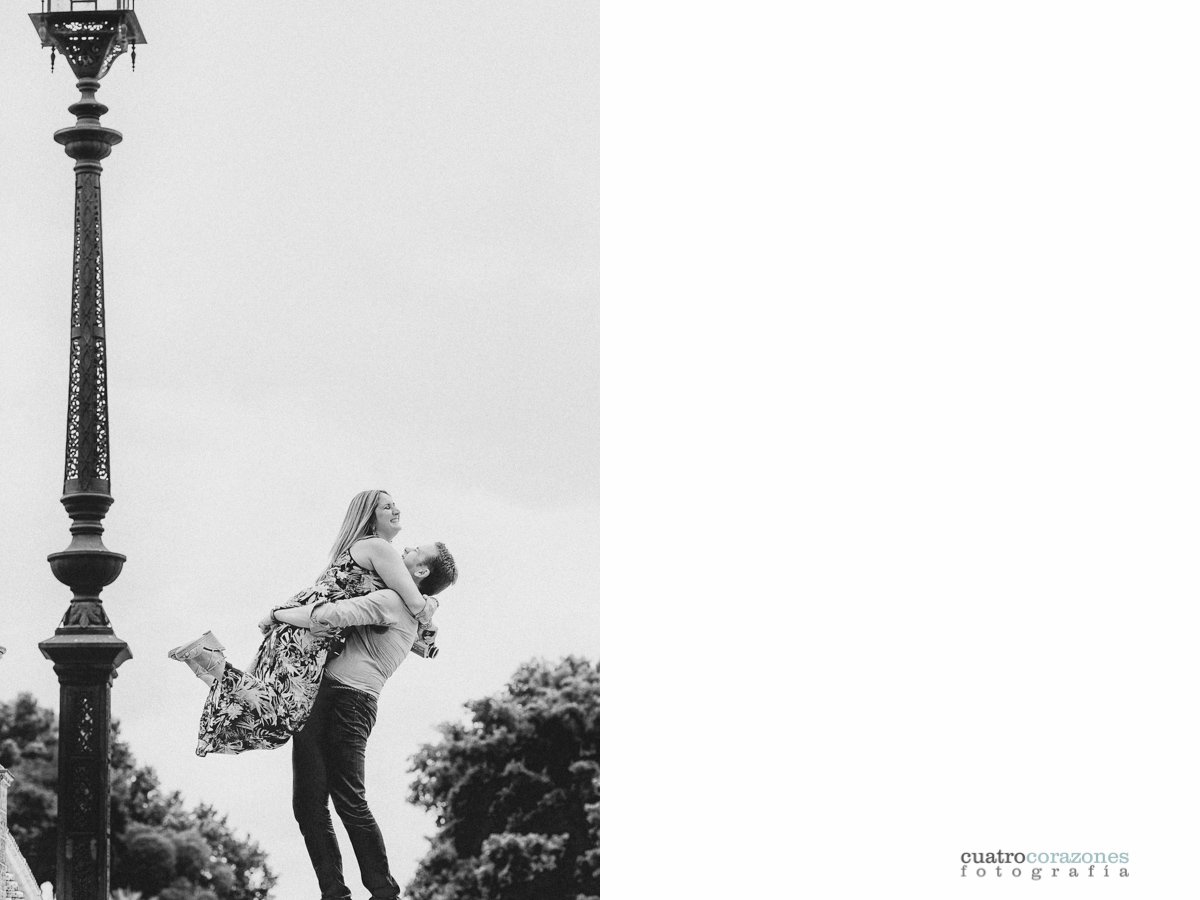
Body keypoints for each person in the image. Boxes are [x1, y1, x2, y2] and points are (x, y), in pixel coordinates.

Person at [167, 490, 454, 758]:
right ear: (370, 517)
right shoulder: (380, 547)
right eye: (387, 506)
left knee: (258, 706)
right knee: (281, 722)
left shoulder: (358, 548)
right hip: (310, 633)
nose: (396, 510)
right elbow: (414, 604)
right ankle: (208, 658)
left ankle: (202, 662)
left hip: (301, 628)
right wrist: (432, 605)